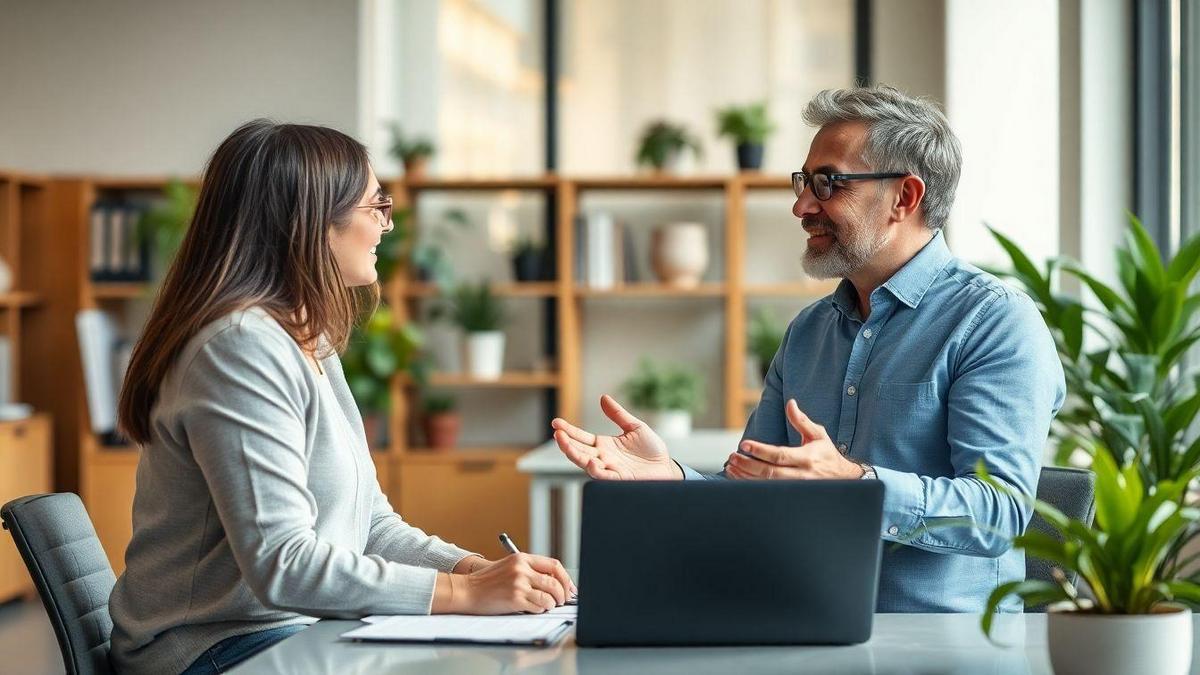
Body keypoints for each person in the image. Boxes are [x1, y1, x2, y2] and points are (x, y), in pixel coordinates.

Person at [551, 85, 1065, 613]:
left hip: (943, 642)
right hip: (801, 627)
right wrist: (670, 478)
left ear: (905, 197)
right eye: (803, 182)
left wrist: (856, 484)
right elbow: (754, 490)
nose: (801, 206)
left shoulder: (995, 322)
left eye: (828, 184)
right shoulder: (808, 332)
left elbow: (1000, 515)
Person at [108, 120, 574, 675]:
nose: (386, 225)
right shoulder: (239, 347)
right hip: (212, 650)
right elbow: (284, 565)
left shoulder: (306, 340)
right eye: (376, 206)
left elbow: (370, 525)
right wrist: (463, 595)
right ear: (310, 223)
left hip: (289, 632)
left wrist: (471, 570)